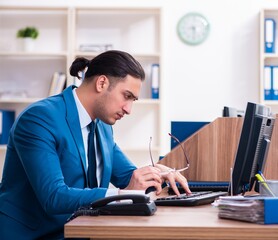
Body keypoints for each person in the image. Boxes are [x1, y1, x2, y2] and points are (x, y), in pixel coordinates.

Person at [0, 50, 190, 239]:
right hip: (33, 235)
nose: (129, 109)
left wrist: (159, 175)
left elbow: (128, 178)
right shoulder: (40, 118)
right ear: (101, 83)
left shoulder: (102, 126)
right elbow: (54, 196)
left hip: (79, 231)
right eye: (126, 96)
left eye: (133, 100)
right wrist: (124, 193)